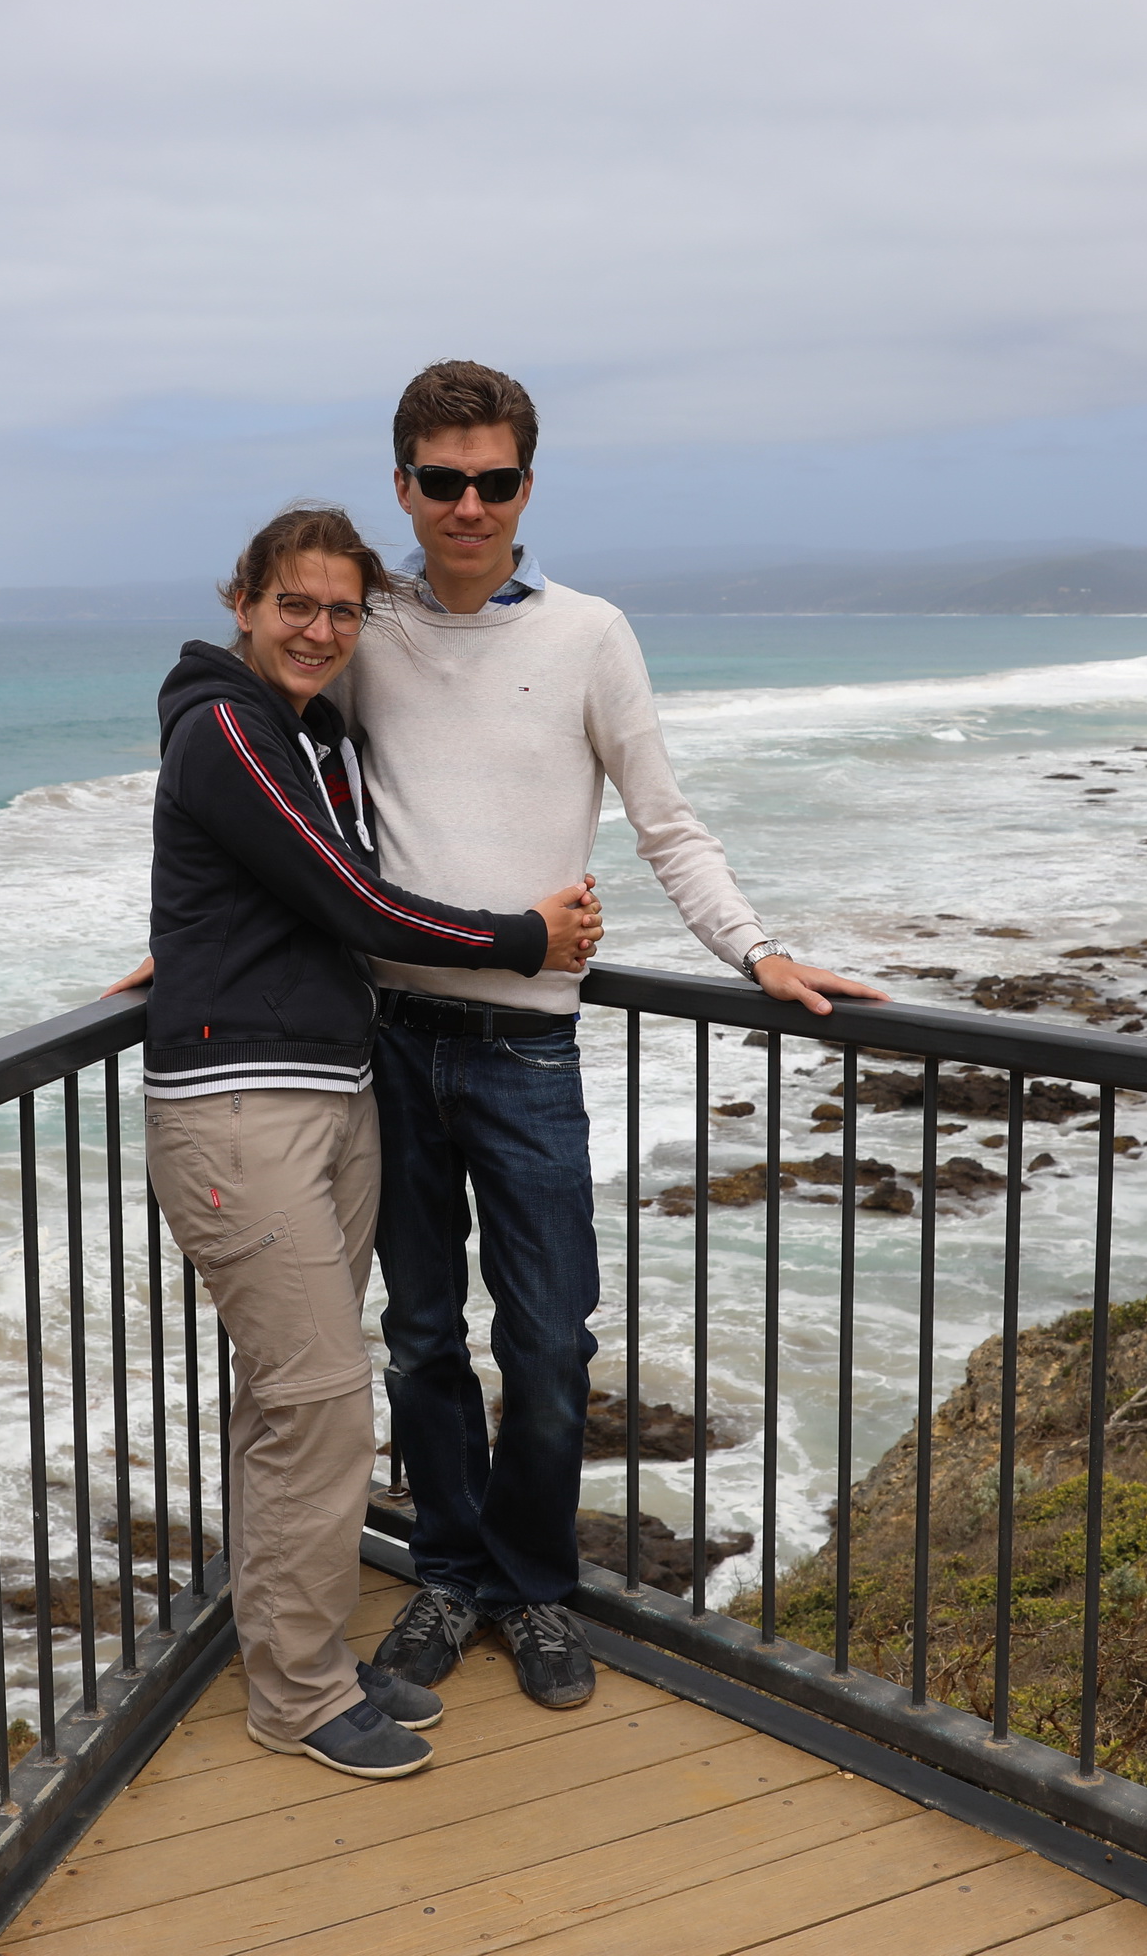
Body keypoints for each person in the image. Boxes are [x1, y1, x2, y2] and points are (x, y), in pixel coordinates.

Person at [341, 361, 885, 1712]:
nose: (469, 505)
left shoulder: (589, 634)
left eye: (496, 480)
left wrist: (756, 951)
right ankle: (449, 1576)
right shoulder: (362, 631)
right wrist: (186, 941)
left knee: (549, 1340)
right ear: (402, 486)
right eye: (443, 481)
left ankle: (530, 1586)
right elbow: (271, 801)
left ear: (530, 484)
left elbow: (666, 823)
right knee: (416, 1335)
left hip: (525, 1046)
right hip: (389, 1039)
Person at [132, 501, 606, 1779]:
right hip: (244, 1110)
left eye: (344, 610)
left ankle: (294, 1655)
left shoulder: (294, 726)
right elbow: (348, 896)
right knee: (324, 1406)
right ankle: (295, 1692)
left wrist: (183, 946)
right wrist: (521, 937)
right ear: (244, 601)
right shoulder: (231, 727)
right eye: (297, 604)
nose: (322, 628)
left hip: (322, 1090)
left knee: (292, 1404)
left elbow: (286, 883)